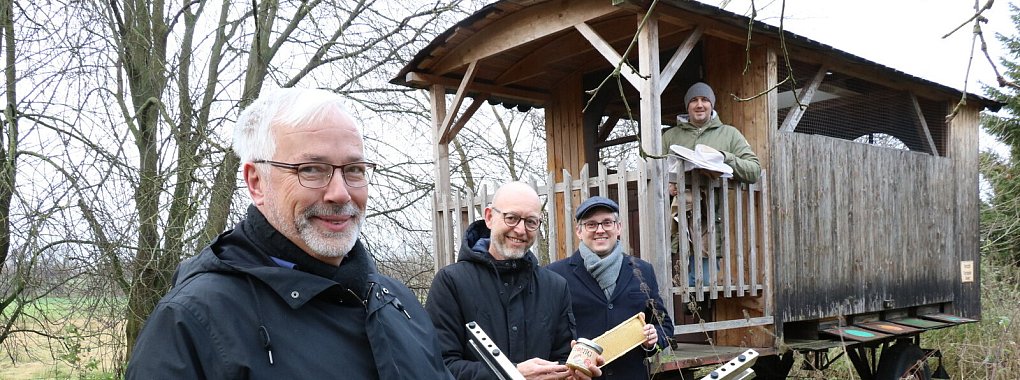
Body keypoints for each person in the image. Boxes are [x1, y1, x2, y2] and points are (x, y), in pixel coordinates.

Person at [126, 88, 452, 379]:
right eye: (311, 169)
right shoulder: (191, 323)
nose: (340, 193)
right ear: (256, 182)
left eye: (354, 169)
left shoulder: (396, 302)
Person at [426, 181, 602, 380]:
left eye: (531, 222)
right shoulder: (451, 283)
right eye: (511, 218)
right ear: (490, 217)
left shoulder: (555, 287)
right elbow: (438, 365)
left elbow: (561, 359)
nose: (520, 230)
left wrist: (573, 372)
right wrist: (513, 374)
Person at [547, 196, 674, 380]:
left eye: (607, 222)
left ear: (618, 227)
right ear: (579, 231)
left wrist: (652, 343)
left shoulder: (642, 270)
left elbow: (664, 325)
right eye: (591, 224)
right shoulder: (556, 274)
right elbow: (547, 333)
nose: (600, 230)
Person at [662, 82, 761, 287]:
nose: (700, 105)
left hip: (714, 221)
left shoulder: (729, 134)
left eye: (705, 100)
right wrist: (667, 186)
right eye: (694, 100)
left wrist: (724, 157)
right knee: (679, 284)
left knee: (705, 282)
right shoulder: (670, 136)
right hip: (677, 223)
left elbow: (754, 170)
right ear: (687, 106)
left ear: (712, 105)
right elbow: (654, 172)